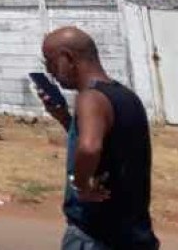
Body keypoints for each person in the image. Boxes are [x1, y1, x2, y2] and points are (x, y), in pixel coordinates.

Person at [39, 26, 158, 250]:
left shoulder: (90, 99)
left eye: (50, 62)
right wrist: (64, 118)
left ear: (68, 58)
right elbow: (109, 147)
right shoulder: (125, 97)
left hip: (96, 235)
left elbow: (90, 148)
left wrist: (81, 184)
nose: (49, 72)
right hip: (134, 233)